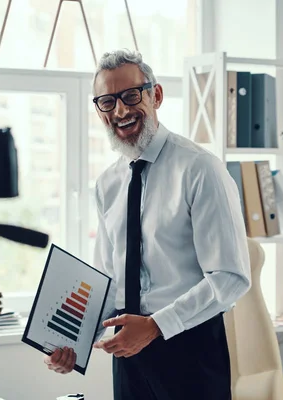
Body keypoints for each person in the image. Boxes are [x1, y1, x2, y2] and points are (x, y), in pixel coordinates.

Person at [44, 49, 251, 400]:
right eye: (107, 102)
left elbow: (230, 277)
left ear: (155, 95)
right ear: (99, 111)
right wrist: (74, 344)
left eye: (130, 96)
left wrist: (156, 326)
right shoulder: (108, 184)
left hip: (190, 347)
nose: (121, 111)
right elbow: (108, 281)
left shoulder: (200, 169)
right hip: (128, 354)